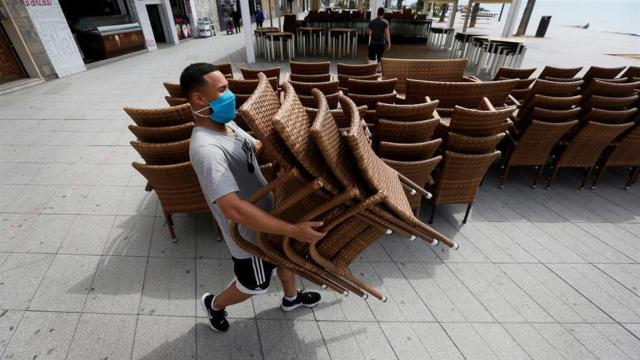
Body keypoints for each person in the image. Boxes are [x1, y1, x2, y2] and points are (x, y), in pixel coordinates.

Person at [181, 63, 324, 333]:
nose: (230, 94)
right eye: (222, 90)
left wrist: (288, 146)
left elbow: (255, 148)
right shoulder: (206, 150)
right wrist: (293, 230)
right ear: (200, 99)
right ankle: (215, 304)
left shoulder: (227, 124)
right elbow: (233, 209)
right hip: (249, 236)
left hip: (268, 217)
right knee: (254, 285)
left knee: (284, 256)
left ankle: (291, 299)